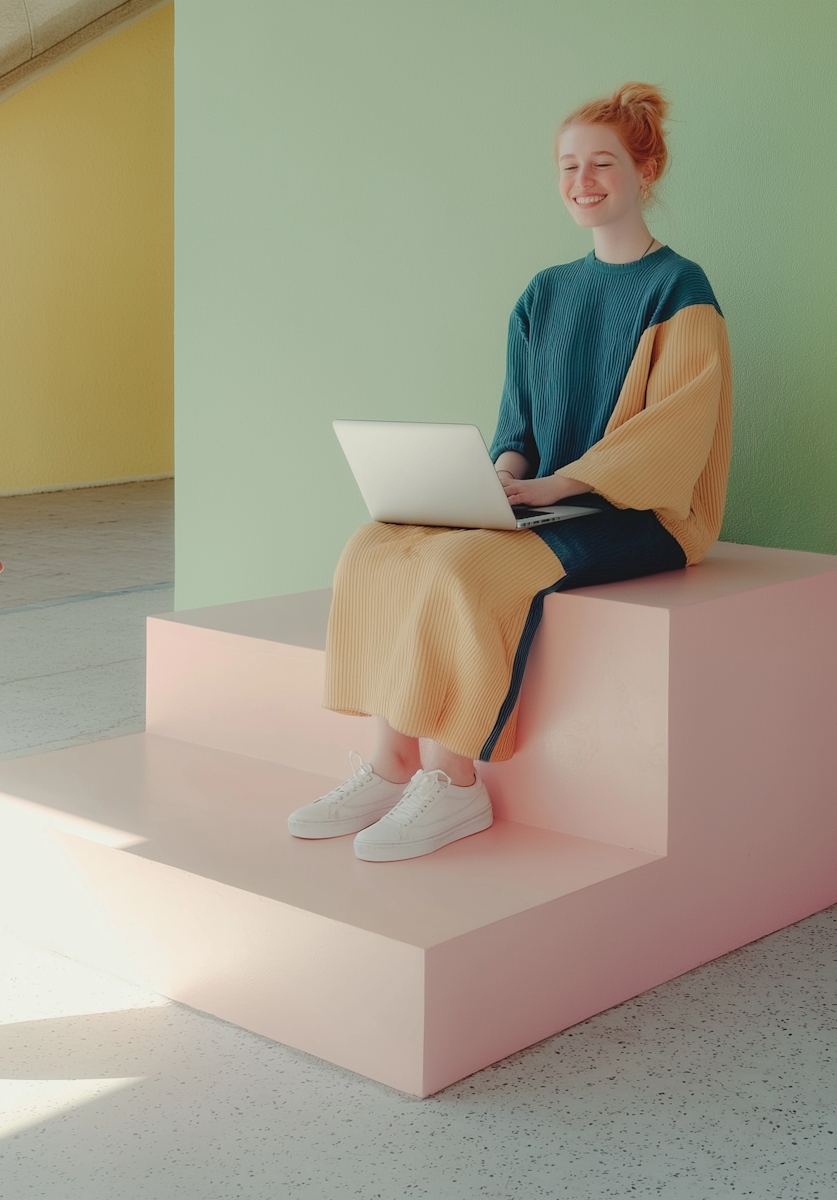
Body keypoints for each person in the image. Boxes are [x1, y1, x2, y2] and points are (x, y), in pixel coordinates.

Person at [287, 82, 732, 862]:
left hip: (642, 516)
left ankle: (453, 784)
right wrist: (498, 480)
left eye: (602, 164)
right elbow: (518, 429)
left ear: (646, 169)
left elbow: (676, 440)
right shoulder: (543, 294)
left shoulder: (680, 291)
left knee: (462, 565)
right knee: (375, 544)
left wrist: (556, 488)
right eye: (567, 166)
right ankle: (389, 765)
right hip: (545, 502)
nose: (582, 181)